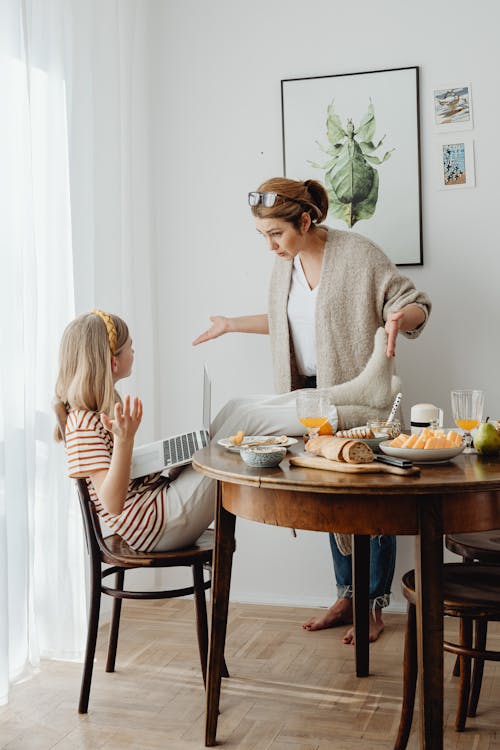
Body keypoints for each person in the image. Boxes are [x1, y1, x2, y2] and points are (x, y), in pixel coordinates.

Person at [193, 177, 431, 644]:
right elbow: (286, 323)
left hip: (363, 398)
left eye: (275, 234)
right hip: (311, 397)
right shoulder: (284, 269)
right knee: (329, 495)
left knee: (371, 498)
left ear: (305, 220)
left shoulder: (359, 255)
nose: (269, 246)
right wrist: (231, 325)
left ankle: (374, 605)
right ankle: (346, 595)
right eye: (262, 236)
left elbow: (413, 302)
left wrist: (399, 319)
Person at [54, 310, 215, 552]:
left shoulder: (91, 416)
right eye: (131, 347)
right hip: (156, 525)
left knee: (225, 430)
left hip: (156, 509)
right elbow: (112, 503)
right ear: (113, 361)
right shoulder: (83, 425)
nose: (134, 352)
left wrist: (162, 462)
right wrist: (124, 440)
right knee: (233, 432)